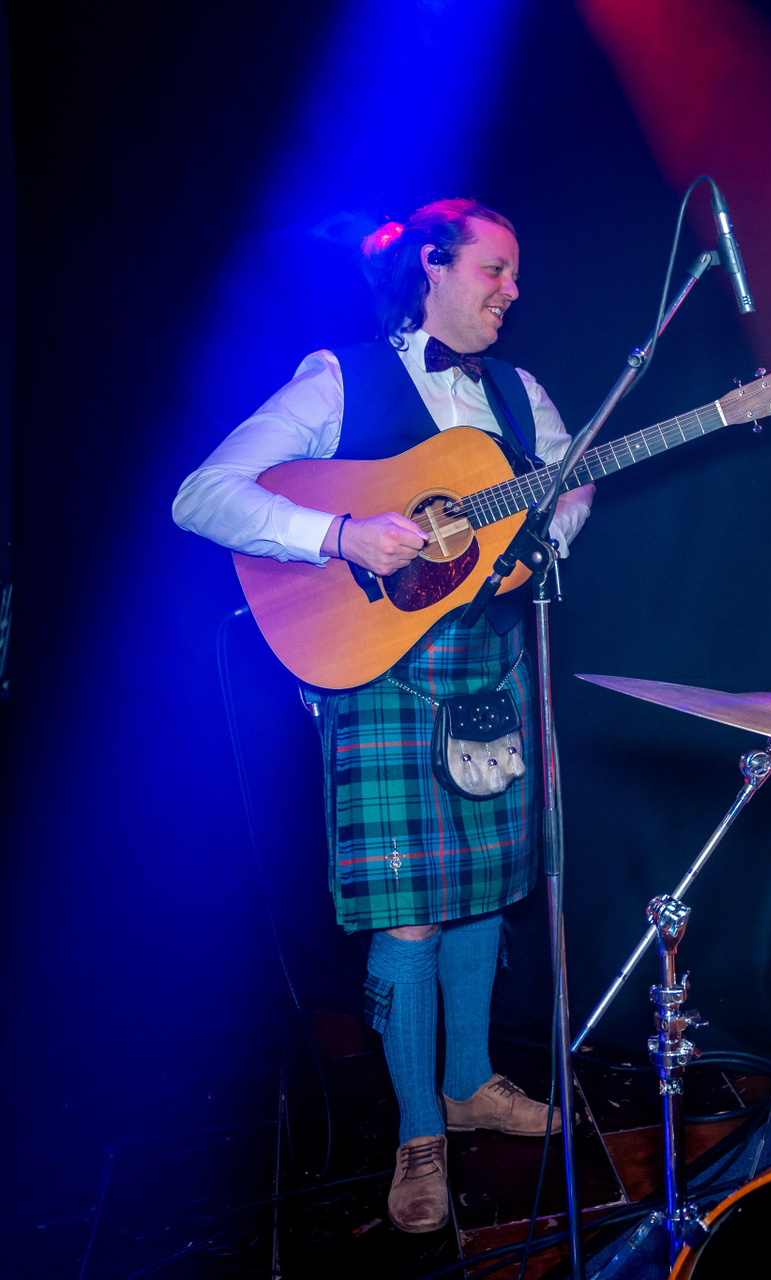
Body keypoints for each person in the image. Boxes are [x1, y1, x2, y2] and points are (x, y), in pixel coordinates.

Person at [174, 199, 595, 1233]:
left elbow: (569, 488)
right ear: (432, 267)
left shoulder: (521, 393)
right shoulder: (339, 378)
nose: (512, 291)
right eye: (494, 269)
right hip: (378, 675)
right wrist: (339, 534)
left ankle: (471, 1082)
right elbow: (203, 494)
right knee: (410, 905)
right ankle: (417, 1130)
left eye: (515, 273)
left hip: (490, 664)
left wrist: (547, 539)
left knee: (486, 890)